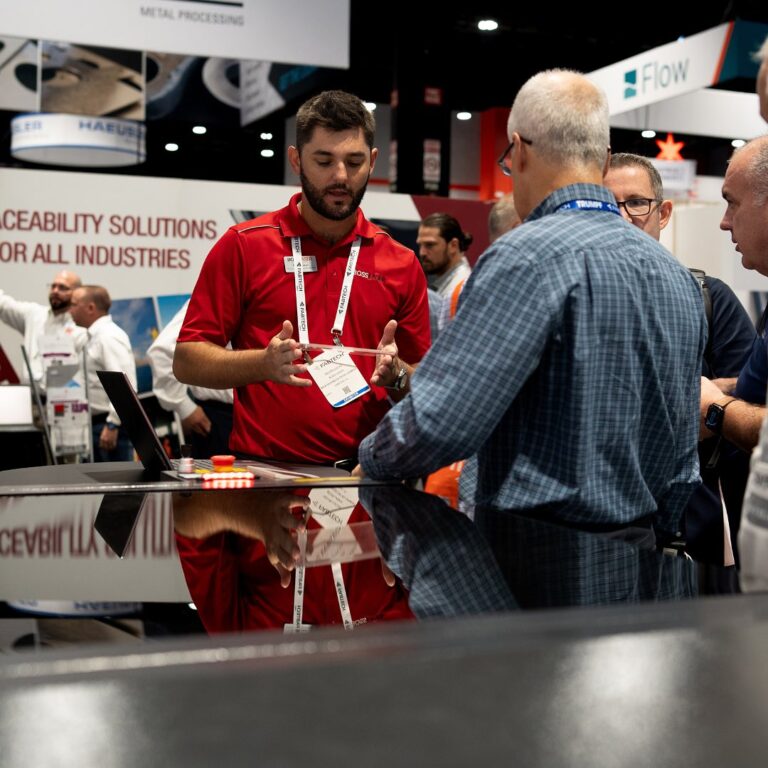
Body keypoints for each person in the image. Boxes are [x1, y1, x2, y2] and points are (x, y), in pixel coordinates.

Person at [357, 69, 706, 537]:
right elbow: (684, 458)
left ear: (518, 150)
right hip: (643, 563)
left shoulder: (523, 257)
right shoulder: (678, 279)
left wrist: (372, 459)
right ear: (602, 159)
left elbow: (443, 421)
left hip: (533, 563)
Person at [173, 90, 430, 466]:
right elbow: (187, 360)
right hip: (266, 478)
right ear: (296, 160)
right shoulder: (245, 245)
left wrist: (397, 376)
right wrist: (262, 364)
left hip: (365, 476)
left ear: (373, 162)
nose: (340, 176)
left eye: (354, 161)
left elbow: (425, 385)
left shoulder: (400, 262)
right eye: (324, 161)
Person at [604, 152, 756, 563]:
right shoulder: (577, 302)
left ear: (663, 212)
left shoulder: (709, 298)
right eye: (606, 204)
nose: (622, 216)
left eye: (636, 202)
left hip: (695, 527)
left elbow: (751, 398)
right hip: (601, 529)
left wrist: (710, 405)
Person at [700, 136, 768, 453]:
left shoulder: (712, 297)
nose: (724, 223)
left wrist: (716, 410)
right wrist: (727, 388)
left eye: (733, 203)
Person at [147, 300, 234, 457]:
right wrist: (184, 407)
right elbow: (161, 352)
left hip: (254, 419)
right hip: (222, 421)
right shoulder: (217, 295)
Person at [69, 284, 137, 462]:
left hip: (109, 427)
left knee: (118, 487)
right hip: (98, 425)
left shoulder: (109, 337)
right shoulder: (92, 337)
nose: (69, 310)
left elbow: (124, 384)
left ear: (90, 308)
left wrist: (113, 423)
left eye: (73, 304)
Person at [0, 270, 85, 393]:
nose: (55, 291)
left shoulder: (80, 325)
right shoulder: (34, 315)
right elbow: (3, 305)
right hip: (31, 400)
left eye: (62, 287)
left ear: (77, 293)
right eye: (53, 286)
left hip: (64, 400)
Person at [416, 212, 473, 305]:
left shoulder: (462, 289)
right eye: (420, 245)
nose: (422, 253)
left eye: (430, 245)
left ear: (453, 245)